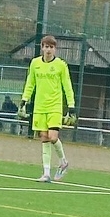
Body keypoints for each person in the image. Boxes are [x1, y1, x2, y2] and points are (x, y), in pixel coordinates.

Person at [20, 35, 76, 182]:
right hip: (40, 107)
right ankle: (46, 173)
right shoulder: (35, 63)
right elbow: (30, 83)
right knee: (44, 138)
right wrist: (24, 100)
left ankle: (63, 162)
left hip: (55, 106)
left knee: (53, 137)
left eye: (51, 47)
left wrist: (71, 106)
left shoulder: (61, 65)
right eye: (46, 47)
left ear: (55, 49)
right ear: (42, 47)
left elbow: (67, 86)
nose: (48, 50)